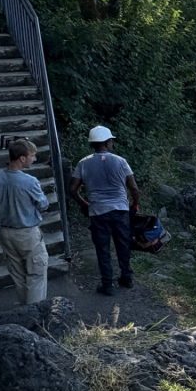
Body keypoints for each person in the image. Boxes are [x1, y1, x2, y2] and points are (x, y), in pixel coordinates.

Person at [69, 125, 140, 296]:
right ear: (107, 142)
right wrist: (135, 204)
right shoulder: (120, 161)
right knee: (123, 245)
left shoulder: (83, 163)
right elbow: (134, 188)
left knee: (102, 248)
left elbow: (72, 190)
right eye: (111, 141)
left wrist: (84, 203)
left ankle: (107, 284)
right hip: (120, 210)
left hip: (98, 212)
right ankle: (126, 277)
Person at [0, 139, 50, 304]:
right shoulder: (30, 181)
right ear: (22, 158)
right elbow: (43, 205)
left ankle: (24, 311)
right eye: (32, 156)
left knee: (18, 276)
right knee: (36, 275)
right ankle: (36, 317)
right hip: (27, 233)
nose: (34, 159)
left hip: (5, 232)